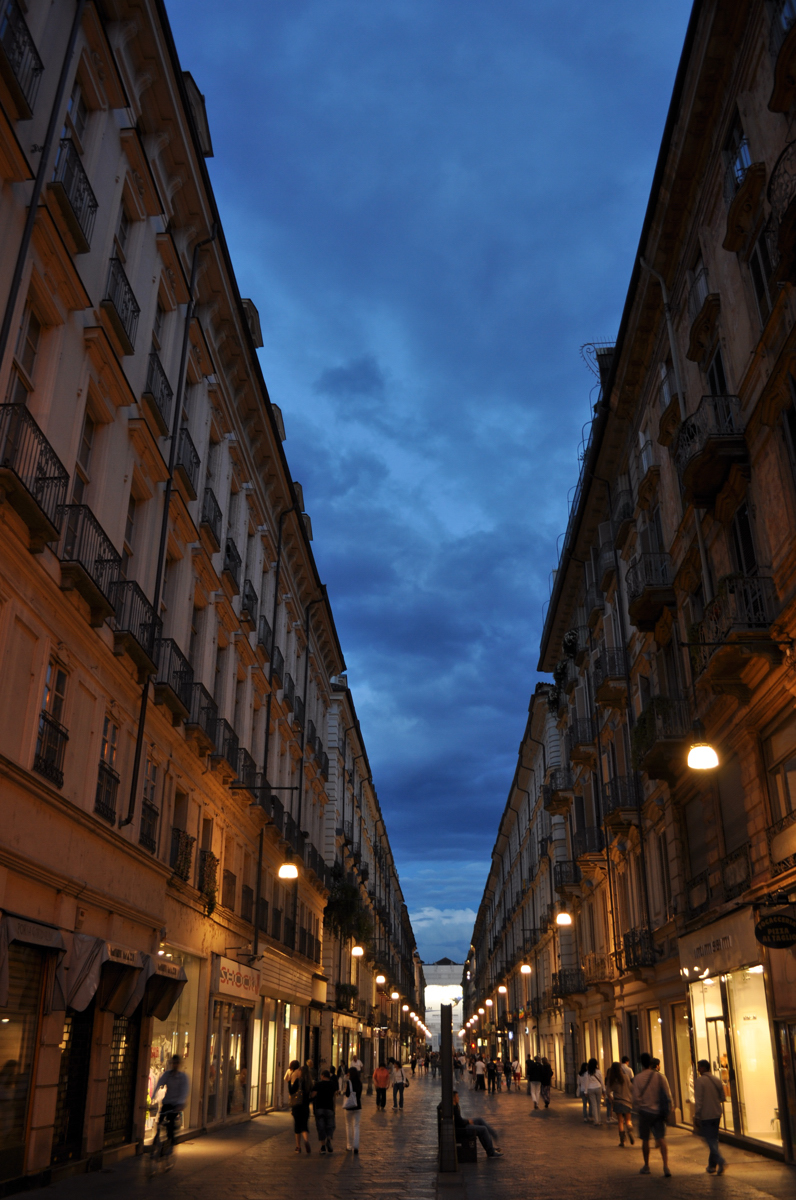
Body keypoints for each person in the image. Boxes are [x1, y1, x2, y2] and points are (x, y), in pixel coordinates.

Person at [632, 1052, 672, 1177]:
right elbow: (668, 1094)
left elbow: (635, 1098)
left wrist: (638, 1108)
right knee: (661, 1139)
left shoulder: (637, 1078)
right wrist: (669, 1109)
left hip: (644, 1112)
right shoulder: (660, 1077)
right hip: (658, 1112)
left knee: (645, 1140)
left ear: (641, 1064)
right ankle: (665, 1166)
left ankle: (646, 1165)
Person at [150, 1054, 189, 1162]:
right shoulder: (167, 1074)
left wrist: (180, 1104)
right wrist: (153, 1098)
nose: (174, 1065)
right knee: (159, 1121)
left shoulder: (183, 1077)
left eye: (176, 1063)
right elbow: (159, 1084)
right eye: (173, 1063)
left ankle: (170, 1143)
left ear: (179, 1064)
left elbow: (184, 1091)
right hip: (167, 1102)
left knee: (170, 1125)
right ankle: (156, 1142)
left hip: (176, 1104)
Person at [694, 1059, 726, 1175]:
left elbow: (699, 1101)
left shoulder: (700, 1081)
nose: (698, 1070)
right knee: (714, 1139)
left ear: (703, 1068)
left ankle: (719, 1160)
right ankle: (712, 1165)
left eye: (699, 1067)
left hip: (706, 1115)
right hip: (717, 1113)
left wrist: (697, 1115)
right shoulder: (717, 1080)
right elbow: (723, 1097)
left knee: (709, 1139)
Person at [452, 1091, 504, 1157]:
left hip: (462, 1125)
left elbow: (459, 1120)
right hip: (462, 1129)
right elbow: (459, 1122)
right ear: (453, 1098)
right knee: (483, 1129)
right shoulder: (453, 1108)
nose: (458, 1098)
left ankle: (494, 1134)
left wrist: (467, 1121)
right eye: (457, 1096)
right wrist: (468, 1122)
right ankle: (491, 1152)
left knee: (480, 1120)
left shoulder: (455, 1106)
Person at [606, 1062, 635, 1147]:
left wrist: (612, 1099)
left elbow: (607, 1092)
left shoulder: (611, 1079)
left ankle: (622, 1141)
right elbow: (631, 1088)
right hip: (627, 1102)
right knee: (628, 1120)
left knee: (620, 1122)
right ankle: (629, 1130)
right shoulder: (626, 1077)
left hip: (618, 1102)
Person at [287, 1059, 311, 1154]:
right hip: (305, 1107)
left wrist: (289, 1082)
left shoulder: (298, 1081)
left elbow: (292, 1091)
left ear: (301, 1072)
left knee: (297, 1126)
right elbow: (312, 1096)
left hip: (297, 1107)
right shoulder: (309, 1083)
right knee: (304, 1125)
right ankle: (306, 1139)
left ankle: (298, 1147)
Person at [311, 1069, 336, 1154]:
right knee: (329, 1126)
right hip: (329, 1107)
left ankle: (322, 1147)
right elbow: (334, 1097)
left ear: (322, 1076)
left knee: (321, 1127)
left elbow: (313, 1095)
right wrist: (334, 1108)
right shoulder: (332, 1084)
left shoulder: (318, 1084)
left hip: (319, 1107)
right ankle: (328, 1139)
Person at [343, 1065, 362, 1153]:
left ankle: (349, 1146)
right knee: (356, 1126)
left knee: (348, 1125)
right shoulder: (359, 1082)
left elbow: (347, 1094)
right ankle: (356, 1146)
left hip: (349, 1107)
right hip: (357, 1106)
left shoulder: (348, 1082)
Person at [583, 1058, 605, 1125]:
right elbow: (602, 1081)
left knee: (594, 1105)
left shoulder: (587, 1073)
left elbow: (586, 1083)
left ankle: (596, 1120)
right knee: (598, 1104)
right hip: (598, 1088)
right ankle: (599, 1119)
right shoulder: (599, 1071)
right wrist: (604, 1089)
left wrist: (585, 1091)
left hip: (590, 1089)